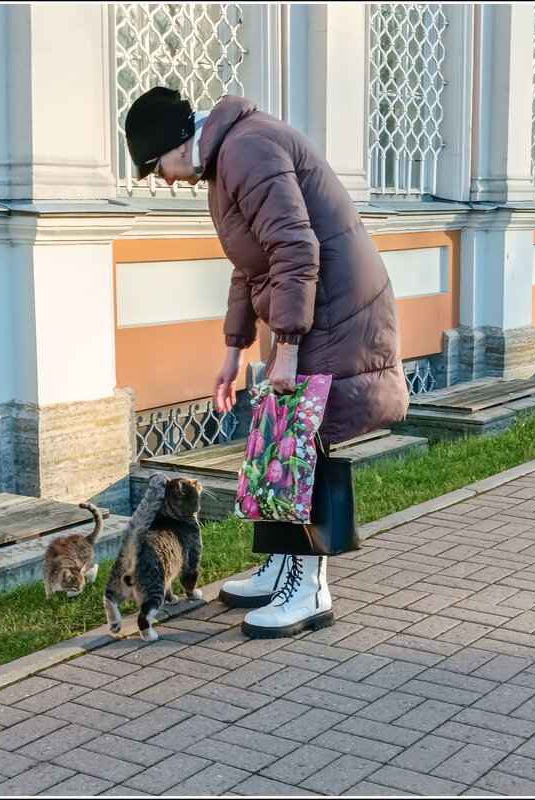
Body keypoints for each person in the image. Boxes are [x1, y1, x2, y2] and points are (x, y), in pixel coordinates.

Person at [124, 86, 409, 638]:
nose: (161, 180)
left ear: (177, 144)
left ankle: (310, 589)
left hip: (335, 308)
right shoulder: (223, 160)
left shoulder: (247, 150)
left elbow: (295, 249)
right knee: (279, 439)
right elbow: (248, 262)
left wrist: (288, 346)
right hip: (312, 306)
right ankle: (283, 566)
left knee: (306, 442)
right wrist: (233, 350)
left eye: (155, 166)